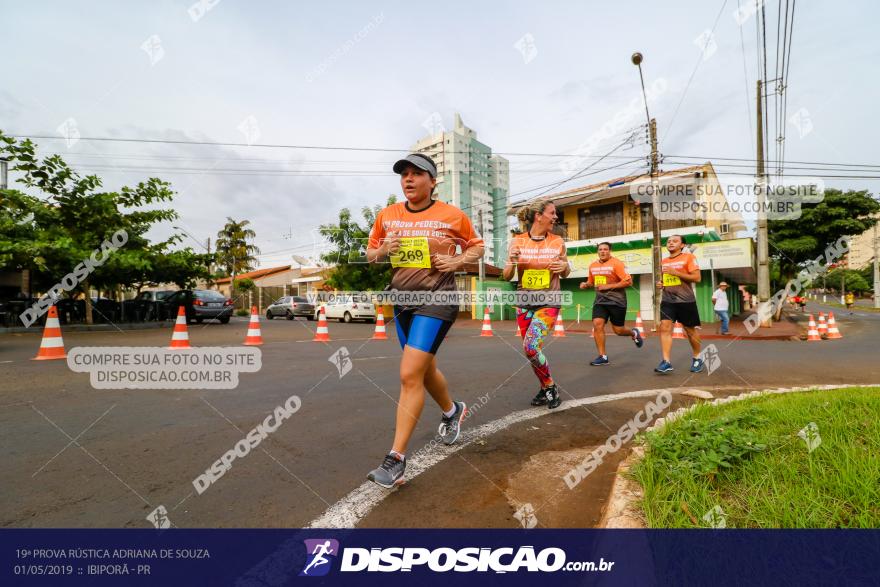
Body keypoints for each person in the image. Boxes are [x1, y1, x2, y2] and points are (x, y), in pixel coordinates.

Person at [364, 153, 484, 488]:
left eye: (417, 174)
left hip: (438, 299)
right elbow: (371, 255)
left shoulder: (451, 214)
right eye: (404, 174)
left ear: (432, 181)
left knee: (408, 374)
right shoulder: (387, 215)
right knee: (423, 369)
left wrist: (458, 261)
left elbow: (478, 247)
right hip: (402, 300)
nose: (409, 179)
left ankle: (396, 460)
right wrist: (384, 248)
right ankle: (452, 410)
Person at [503, 200, 570, 409]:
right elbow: (506, 276)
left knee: (531, 347)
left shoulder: (558, 241)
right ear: (539, 216)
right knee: (530, 350)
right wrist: (512, 262)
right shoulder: (518, 241)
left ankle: (550, 387)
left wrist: (563, 266)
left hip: (549, 301)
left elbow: (566, 271)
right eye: (552, 213)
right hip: (524, 302)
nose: (556, 217)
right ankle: (544, 388)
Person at [579, 242, 643, 365]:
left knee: (618, 330)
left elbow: (628, 282)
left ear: (610, 251)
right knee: (597, 324)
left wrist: (608, 286)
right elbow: (591, 282)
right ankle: (602, 356)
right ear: (597, 251)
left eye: (605, 249)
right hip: (600, 301)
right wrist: (586, 284)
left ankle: (633, 333)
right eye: (600, 249)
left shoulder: (617, 263)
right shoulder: (593, 266)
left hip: (617, 301)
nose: (603, 251)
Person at [654, 234, 704, 374]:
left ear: (682, 245)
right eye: (669, 241)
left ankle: (697, 358)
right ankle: (666, 361)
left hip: (686, 300)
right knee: (664, 327)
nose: (670, 243)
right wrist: (662, 284)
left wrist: (676, 273)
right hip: (668, 300)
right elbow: (668, 280)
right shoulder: (663, 261)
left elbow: (697, 278)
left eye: (675, 241)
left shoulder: (689, 258)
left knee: (690, 331)